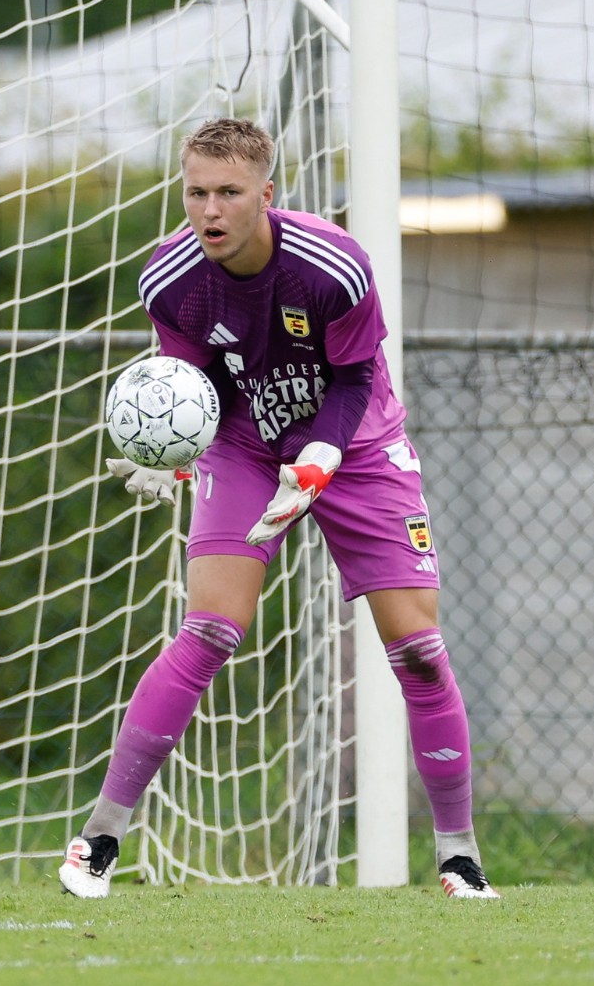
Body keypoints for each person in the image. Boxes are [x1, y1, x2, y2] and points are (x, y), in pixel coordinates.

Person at [59, 117, 498, 900]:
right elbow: (198, 387)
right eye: (196, 192)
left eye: (229, 193)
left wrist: (323, 455)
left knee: (420, 650)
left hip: (355, 444)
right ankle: (99, 838)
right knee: (209, 630)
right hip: (245, 445)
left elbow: (358, 379)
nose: (210, 210)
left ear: (267, 193)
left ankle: (459, 857)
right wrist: (176, 449)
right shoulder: (168, 278)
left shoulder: (333, 264)